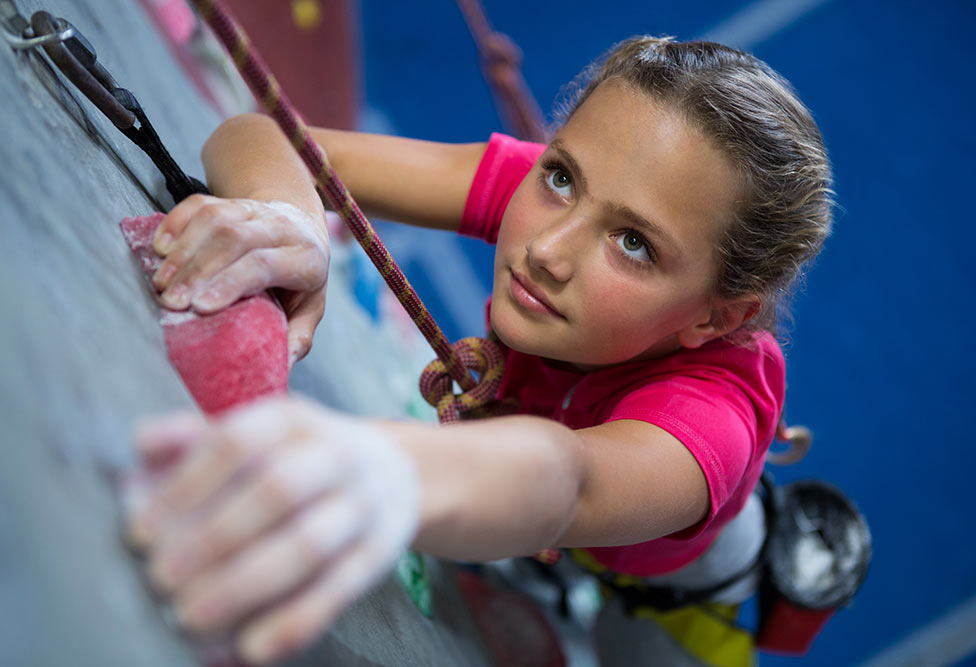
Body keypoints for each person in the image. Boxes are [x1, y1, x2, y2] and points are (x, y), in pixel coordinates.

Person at [126, 36, 832, 665]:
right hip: (544, 498)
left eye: (635, 244)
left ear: (718, 316)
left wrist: (391, 467)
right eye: (562, 175)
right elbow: (265, 139)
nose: (548, 250)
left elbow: (571, 480)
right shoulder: (545, 199)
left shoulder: (714, 416)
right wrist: (292, 220)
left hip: (677, 607)